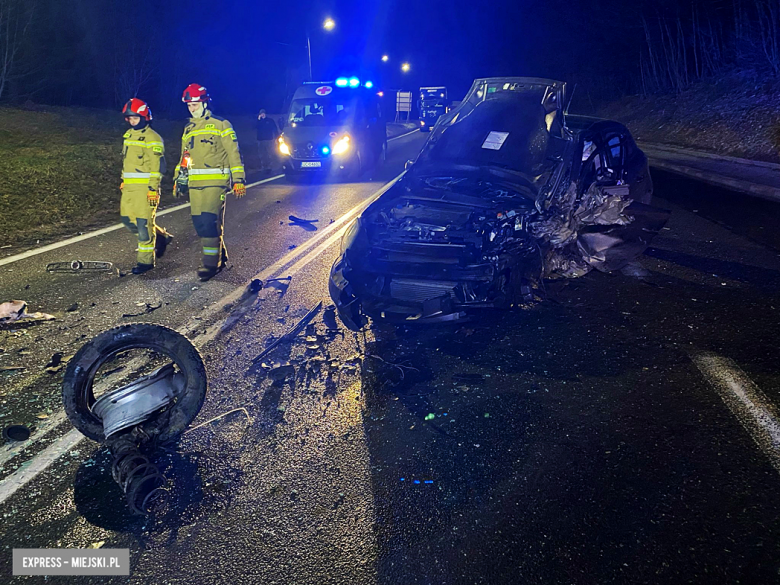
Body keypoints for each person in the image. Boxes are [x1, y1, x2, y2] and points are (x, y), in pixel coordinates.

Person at [173, 83, 246, 281]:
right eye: (188, 105)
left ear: (205, 103)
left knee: (208, 221)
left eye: (195, 104)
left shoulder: (221, 125)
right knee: (200, 223)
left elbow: (233, 153)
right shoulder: (188, 128)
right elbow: (185, 156)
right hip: (195, 184)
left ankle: (211, 265)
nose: (191, 108)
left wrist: (238, 179)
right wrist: (179, 178)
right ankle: (219, 252)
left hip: (216, 183)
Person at [120, 98, 173, 275]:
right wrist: (124, 180)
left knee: (143, 224)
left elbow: (157, 167)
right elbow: (127, 162)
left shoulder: (153, 138)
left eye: (135, 118)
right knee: (128, 220)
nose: (132, 121)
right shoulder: (128, 136)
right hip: (129, 188)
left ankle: (145, 262)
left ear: (144, 117)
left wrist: (153, 188)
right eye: (130, 118)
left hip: (145, 189)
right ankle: (161, 238)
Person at [256, 108, 279, 173]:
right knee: (262, 154)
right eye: (261, 114)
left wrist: (276, 137)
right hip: (260, 140)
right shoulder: (258, 121)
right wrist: (258, 120)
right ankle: (264, 167)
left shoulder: (270, 120)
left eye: (263, 113)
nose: (262, 115)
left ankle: (270, 166)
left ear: (265, 113)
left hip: (269, 139)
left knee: (270, 153)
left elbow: (274, 129)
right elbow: (255, 127)